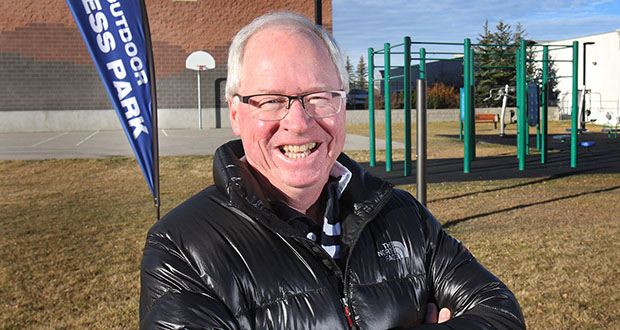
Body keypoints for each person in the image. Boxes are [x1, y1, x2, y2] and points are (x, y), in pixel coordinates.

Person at [139, 12, 525, 329]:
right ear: (237, 113)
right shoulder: (182, 250)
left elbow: (499, 314)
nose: (299, 122)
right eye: (272, 100)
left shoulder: (404, 216)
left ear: (342, 105)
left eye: (319, 97)